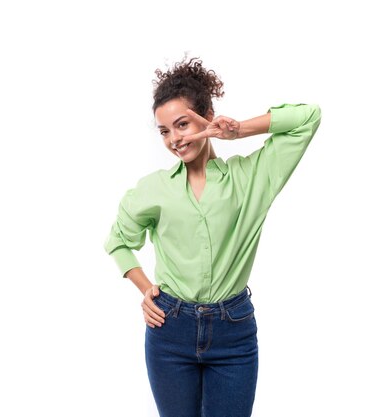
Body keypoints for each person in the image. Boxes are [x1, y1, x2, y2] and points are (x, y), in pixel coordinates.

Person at [103, 57, 321, 417]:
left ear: (207, 114)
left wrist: (239, 130)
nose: (174, 139)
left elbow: (307, 117)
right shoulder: (152, 191)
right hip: (169, 331)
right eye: (164, 131)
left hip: (232, 333)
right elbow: (117, 241)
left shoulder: (251, 178)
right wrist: (146, 289)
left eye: (183, 124)